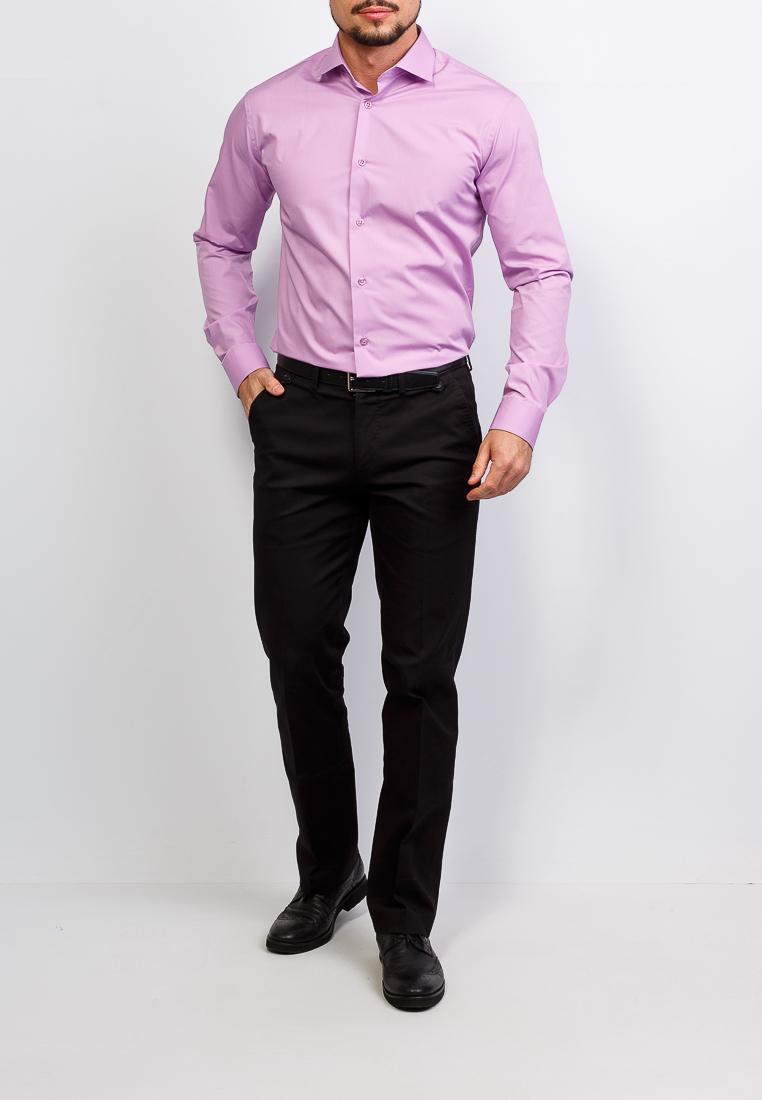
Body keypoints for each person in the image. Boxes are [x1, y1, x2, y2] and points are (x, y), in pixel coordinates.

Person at [193, 0, 572, 1011]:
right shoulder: (268, 110)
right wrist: (243, 364)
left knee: (419, 671)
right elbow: (221, 241)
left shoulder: (487, 112)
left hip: (430, 420)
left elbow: (539, 266)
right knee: (296, 646)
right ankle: (330, 869)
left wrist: (520, 411)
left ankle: (406, 917)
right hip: (303, 412)